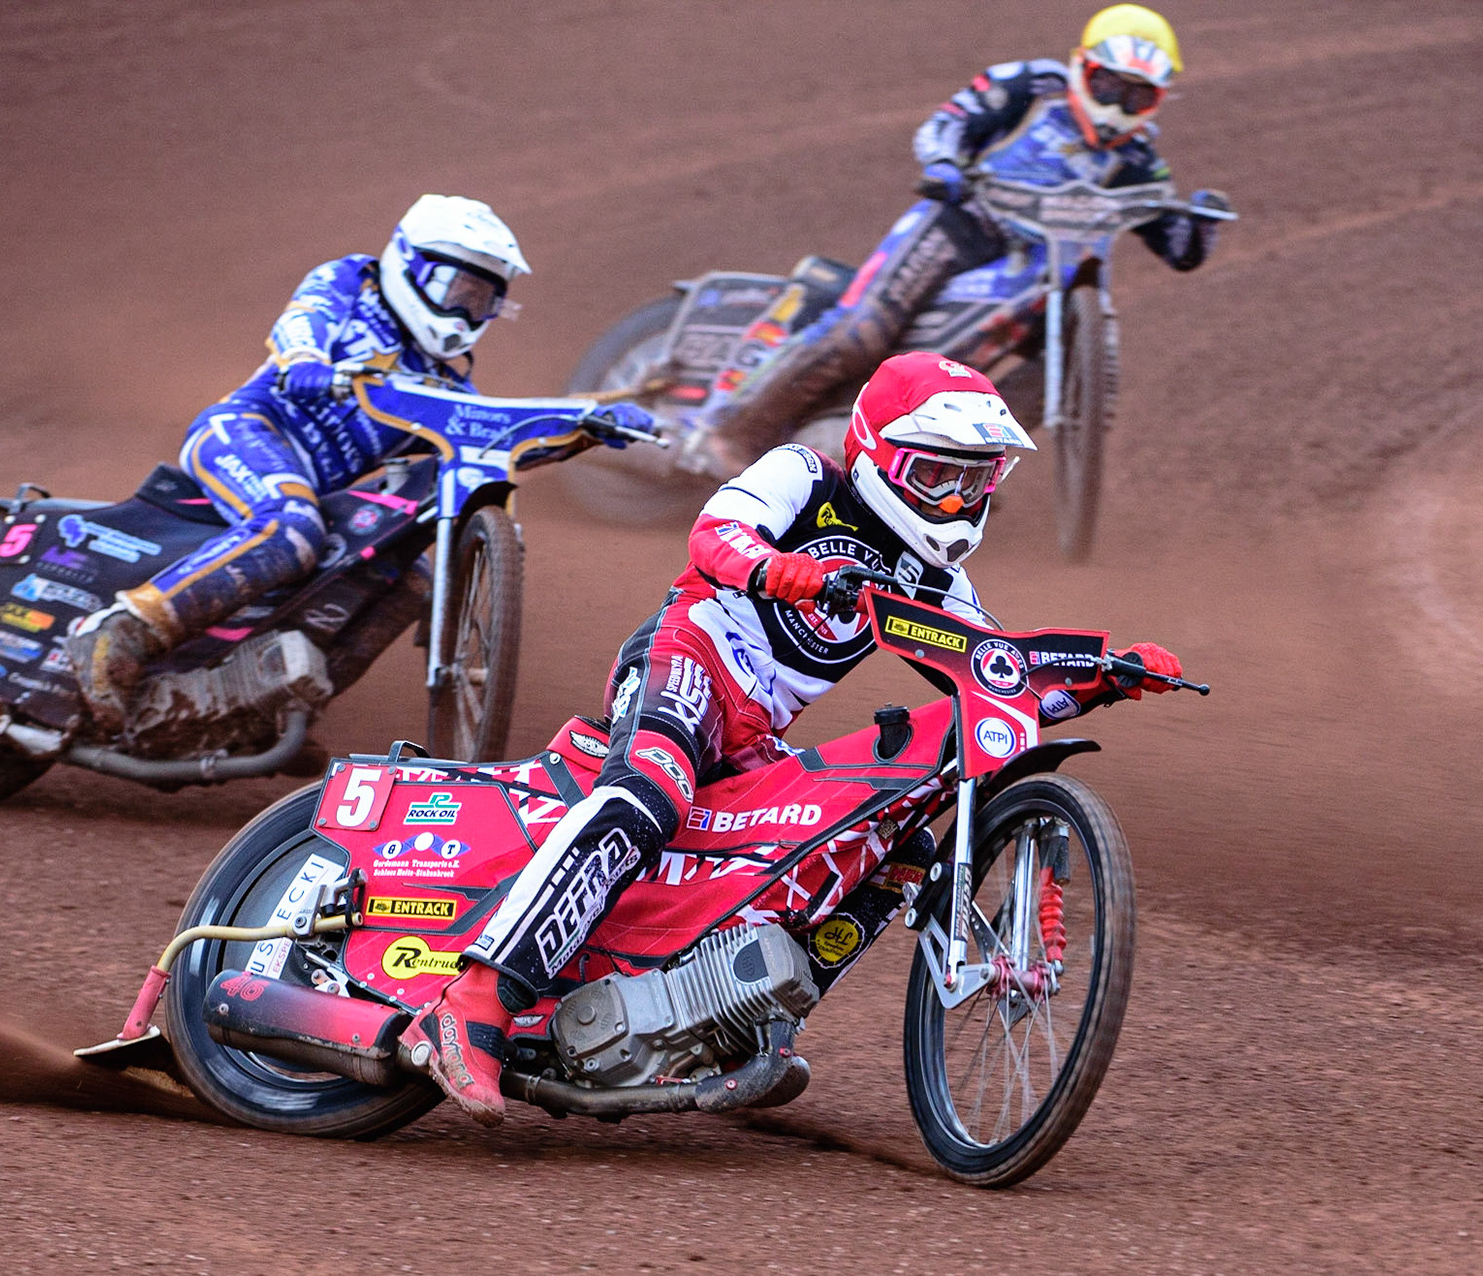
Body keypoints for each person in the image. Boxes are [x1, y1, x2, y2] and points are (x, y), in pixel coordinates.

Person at [401, 351, 1185, 1125]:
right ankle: (474, 1005)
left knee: (888, 841)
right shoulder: (807, 477)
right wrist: (786, 573)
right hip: (690, 659)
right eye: (941, 476)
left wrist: (1100, 676)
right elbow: (713, 536)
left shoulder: (930, 572)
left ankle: (733, 1018)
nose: (957, 499)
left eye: (976, 480)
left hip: (757, 734)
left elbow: (993, 674)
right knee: (649, 793)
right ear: (883, 455)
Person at [690, 4, 1231, 474]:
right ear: (1081, 67)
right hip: (963, 224)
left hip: (1048, 276)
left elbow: (1179, 248)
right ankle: (732, 435)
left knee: (1066, 373)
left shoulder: (1139, 162)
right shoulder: (1031, 88)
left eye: (1136, 95)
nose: (1116, 105)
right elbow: (946, 123)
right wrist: (945, 163)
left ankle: (967, 467)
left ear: (1158, 99)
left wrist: (1205, 219)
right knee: (862, 333)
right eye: (1107, 84)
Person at [65, 195, 535, 735]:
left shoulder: (446, 383)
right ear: (411, 265)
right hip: (243, 431)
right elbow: (304, 321)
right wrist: (308, 362)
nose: (462, 313)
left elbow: (481, 435)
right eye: (455, 291)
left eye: (479, 301)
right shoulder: (351, 282)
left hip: (311, 489)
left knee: (410, 579)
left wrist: (586, 432)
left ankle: (269, 711)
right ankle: (121, 630)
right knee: (291, 526)